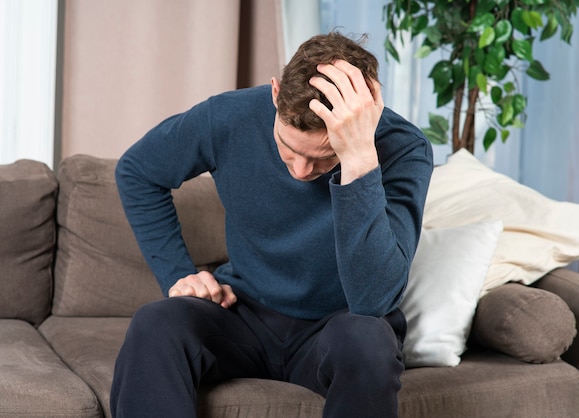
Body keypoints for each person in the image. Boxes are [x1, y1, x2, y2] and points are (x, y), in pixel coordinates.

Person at [110, 32, 433, 418]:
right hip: (242, 313)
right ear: (276, 93)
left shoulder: (403, 148)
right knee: (156, 322)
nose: (300, 171)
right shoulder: (228, 117)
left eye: (324, 158)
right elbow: (137, 171)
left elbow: (372, 301)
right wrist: (178, 274)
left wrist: (359, 157)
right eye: (289, 147)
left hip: (338, 326)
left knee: (368, 341)